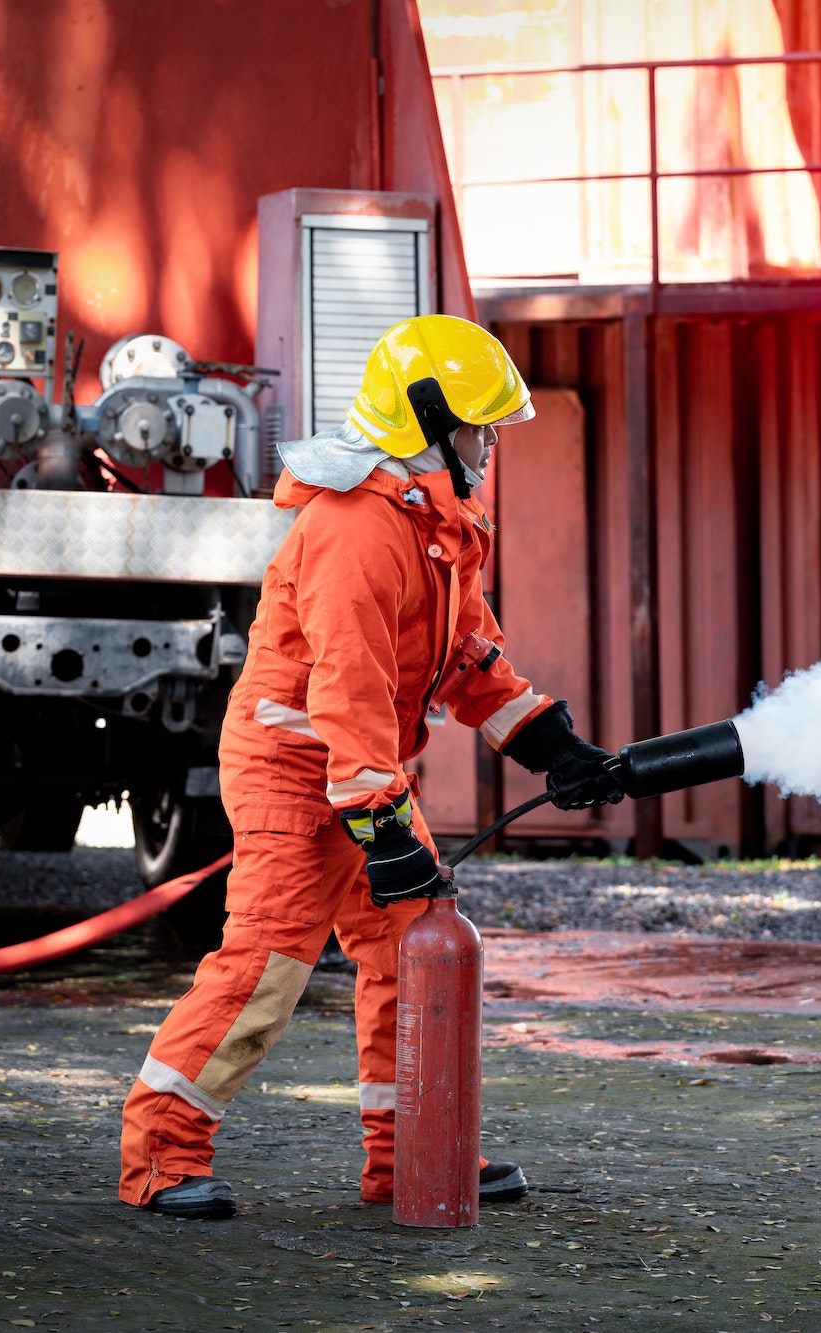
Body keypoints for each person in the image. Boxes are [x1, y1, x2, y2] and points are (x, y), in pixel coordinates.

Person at [119, 315, 623, 1220]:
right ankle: (161, 1155)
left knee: (416, 944)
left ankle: (415, 1155)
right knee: (272, 960)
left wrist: (554, 746)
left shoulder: (435, 524)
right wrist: (381, 820)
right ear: (429, 423)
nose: (492, 443)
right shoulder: (358, 530)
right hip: (294, 764)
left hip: (359, 768)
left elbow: (470, 657)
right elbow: (348, 689)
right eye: (482, 426)